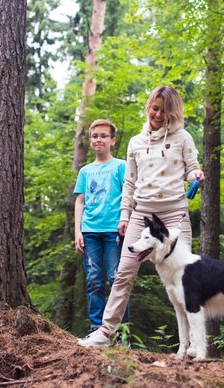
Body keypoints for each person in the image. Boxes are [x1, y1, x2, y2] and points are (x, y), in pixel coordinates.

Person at [78, 85, 204, 348]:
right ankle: (106, 332)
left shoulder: (183, 138)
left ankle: (194, 341)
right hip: (142, 213)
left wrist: (196, 177)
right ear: (149, 106)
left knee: (185, 276)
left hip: (174, 213)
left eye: (164, 111)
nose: (158, 115)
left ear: (173, 113)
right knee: (123, 272)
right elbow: (130, 183)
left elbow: (192, 169)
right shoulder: (136, 143)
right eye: (155, 108)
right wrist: (124, 215)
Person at [74, 119, 129, 336]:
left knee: (117, 279)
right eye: (95, 136)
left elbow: (128, 195)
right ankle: (97, 329)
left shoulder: (121, 166)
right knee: (94, 280)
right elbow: (80, 200)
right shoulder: (86, 171)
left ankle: (121, 331)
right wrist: (77, 231)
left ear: (112, 140)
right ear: (90, 140)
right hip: (89, 231)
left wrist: (128, 221)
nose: (99, 139)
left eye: (104, 135)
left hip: (115, 230)